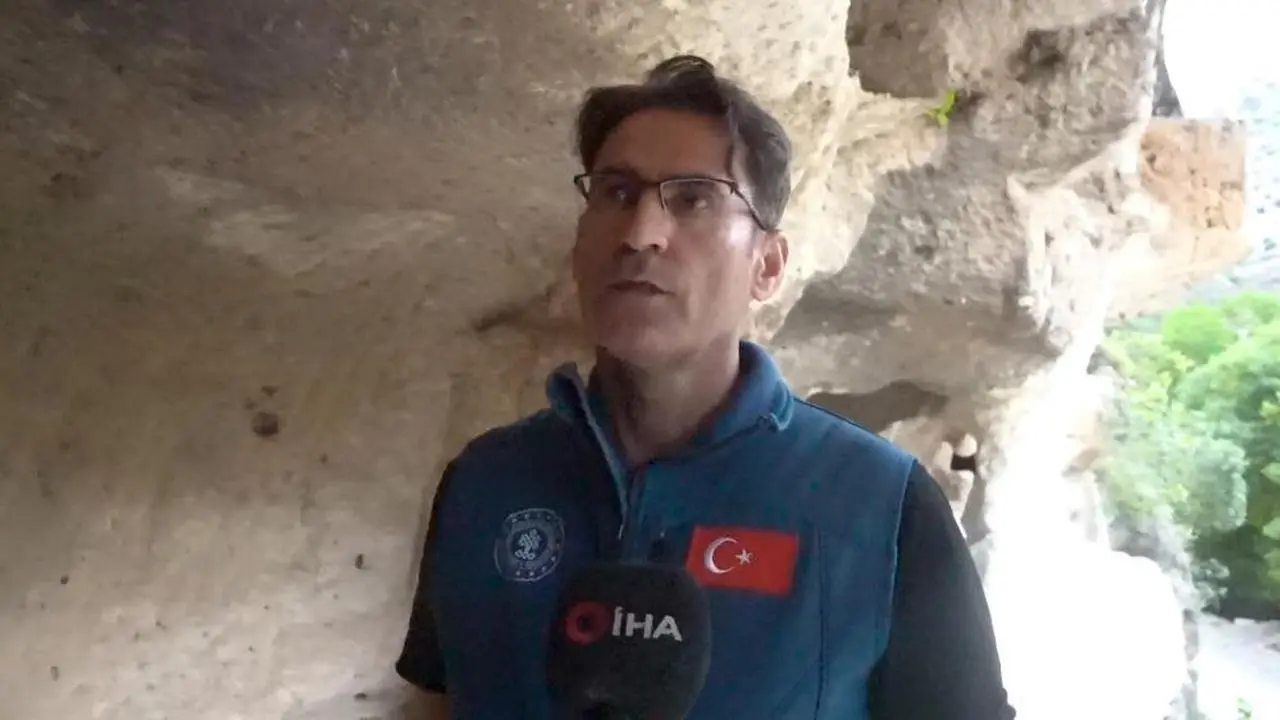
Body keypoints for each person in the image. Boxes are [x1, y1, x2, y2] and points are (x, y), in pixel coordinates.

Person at [395, 54, 1015, 719]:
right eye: (616, 193)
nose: (641, 234)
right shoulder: (483, 481)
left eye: (694, 199)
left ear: (767, 265)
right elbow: (435, 702)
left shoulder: (884, 508)